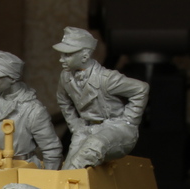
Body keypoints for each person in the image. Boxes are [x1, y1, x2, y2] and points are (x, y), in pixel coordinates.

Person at [54, 26, 149, 170]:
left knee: (89, 151)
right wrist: (75, 125)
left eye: (67, 55)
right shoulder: (66, 77)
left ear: (85, 56)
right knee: (68, 169)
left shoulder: (106, 79)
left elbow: (141, 89)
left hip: (114, 128)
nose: (61, 59)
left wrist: (129, 122)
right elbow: (63, 100)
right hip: (86, 129)